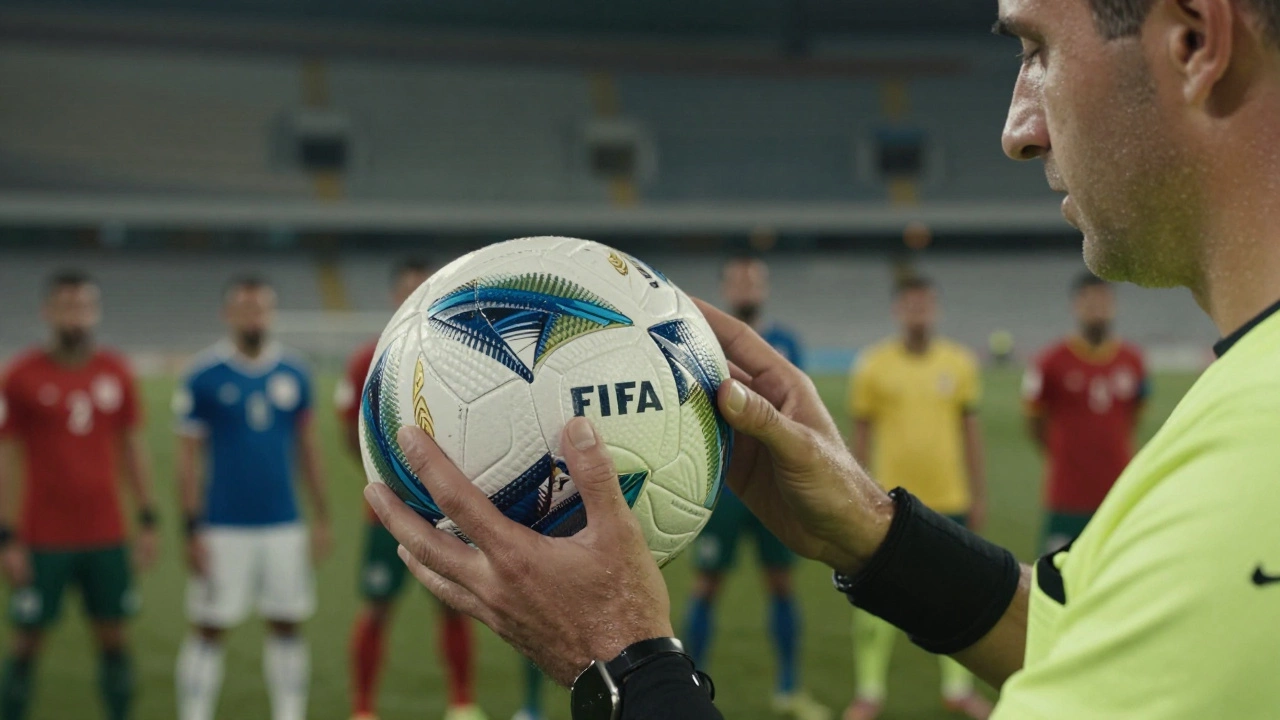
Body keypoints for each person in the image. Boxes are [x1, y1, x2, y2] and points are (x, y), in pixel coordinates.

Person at [366, 0, 1280, 716]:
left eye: (1036, 48)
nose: (1017, 128)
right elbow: (1098, 650)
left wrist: (622, 662)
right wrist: (875, 533)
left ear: (1195, 39)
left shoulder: (1251, 482)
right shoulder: (1242, 401)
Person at [0, 270, 159, 720]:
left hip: (105, 534)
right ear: (48, 312)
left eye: (84, 307)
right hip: (41, 537)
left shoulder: (115, 372)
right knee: (27, 640)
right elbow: (6, 458)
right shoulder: (21, 376)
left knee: (113, 636)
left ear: (96, 312)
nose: (76, 317)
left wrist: (147, 520)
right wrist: (6, 535)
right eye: (66, 307)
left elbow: (133, 449)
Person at [173, 276, 332, 720]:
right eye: (244, 308)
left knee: (286, 622)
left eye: (261, 308)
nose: (254, 316)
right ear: (228, 314)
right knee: (209, 626)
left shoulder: (294, 372)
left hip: (283, 523)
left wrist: (320, 516)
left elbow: (308, 448)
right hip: (222, 525)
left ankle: (289, 712)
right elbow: (186, 459)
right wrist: (191, 527)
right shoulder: (204, 375)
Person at [335, 259, 487, 720]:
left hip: (447, 510)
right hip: (391, 511)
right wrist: (384, 473)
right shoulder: (368, 358)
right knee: (377, 606)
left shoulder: (463, 355)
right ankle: (364, 708)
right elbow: (348, 429)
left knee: (454, 606)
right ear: (394, 296)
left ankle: (461, 703)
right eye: (407, 289)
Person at [684, 256, 827, 720]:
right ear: (726, 285)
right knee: (706, 586)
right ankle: (689, 689)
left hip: (775, 486)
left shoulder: (786, 343)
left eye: (753, 278)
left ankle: (788, 688)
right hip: (724, 488)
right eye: (738, 278)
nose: (746, 286)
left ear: (763, 286)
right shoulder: (700, 343)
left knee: (781, 584)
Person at [845, 277, 991, 720]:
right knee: (876, 600)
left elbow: (970, 434)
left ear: (937, 309)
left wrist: (978, 493)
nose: (918, 312)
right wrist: (858, 493)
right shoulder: (873, 365)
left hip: (949, 498)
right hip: (891, 503)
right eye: (910, 305)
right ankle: (869, 692)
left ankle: (958, 687)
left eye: (925, 304)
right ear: (897, 311)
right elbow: (860, 438)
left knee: (953, 598)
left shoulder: (960, 363)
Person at [1024, 273, 1147, 553]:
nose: (1097, 310)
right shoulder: (1051, 361)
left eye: (1103, 302)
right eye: (1089, 302)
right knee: (1059, 583)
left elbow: (1134, 415)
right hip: (1066, 495)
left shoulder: (1133, 360)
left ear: (1114, 305)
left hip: (1118, 491)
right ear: (1075, 306)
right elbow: (1033, 421)